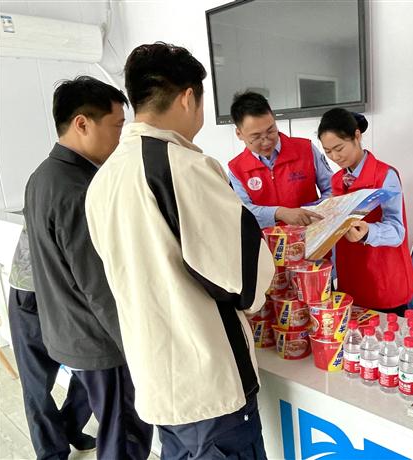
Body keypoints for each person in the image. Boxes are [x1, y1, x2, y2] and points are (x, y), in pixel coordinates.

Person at [85, 43, 274, 459]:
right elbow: (246, 281)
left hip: (159, 381)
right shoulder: (183, 167)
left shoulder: (104, 179)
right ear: (189, 97)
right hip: (209, 384)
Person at [23, 76, 153, 459]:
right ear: (82, 123)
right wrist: (136, 345)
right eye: (116, 126)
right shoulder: (79, 190)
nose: (120, 138)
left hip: (70, 331)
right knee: (125, 436)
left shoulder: (42, 176)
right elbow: (99, 283)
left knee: (114, 426)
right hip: (101, 340)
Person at [317, 108, 413, 313]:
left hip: (384, 280)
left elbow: (397, 231)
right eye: (328, 152)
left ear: (357, 135)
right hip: (351, 280)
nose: (335, 157)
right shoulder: (336, 180)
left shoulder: (385, 175)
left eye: (339, 148)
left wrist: (367, 232)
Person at [8, 226, 95, 459]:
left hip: (72, 290)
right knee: (36, 382)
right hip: (30, 289)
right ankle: (51, 454)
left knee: (92, 368)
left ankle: (69, 426)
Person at [228, 91, 332, 227]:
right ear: (239, 134)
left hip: (312, 232)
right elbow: (243, 210)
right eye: (256, 136)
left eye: (271, 131)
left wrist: (315, 211)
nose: (266, 141)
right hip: (267, 239)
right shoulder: (236, 169)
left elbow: (332, 188)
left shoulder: (305, 149)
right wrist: (279, 213)